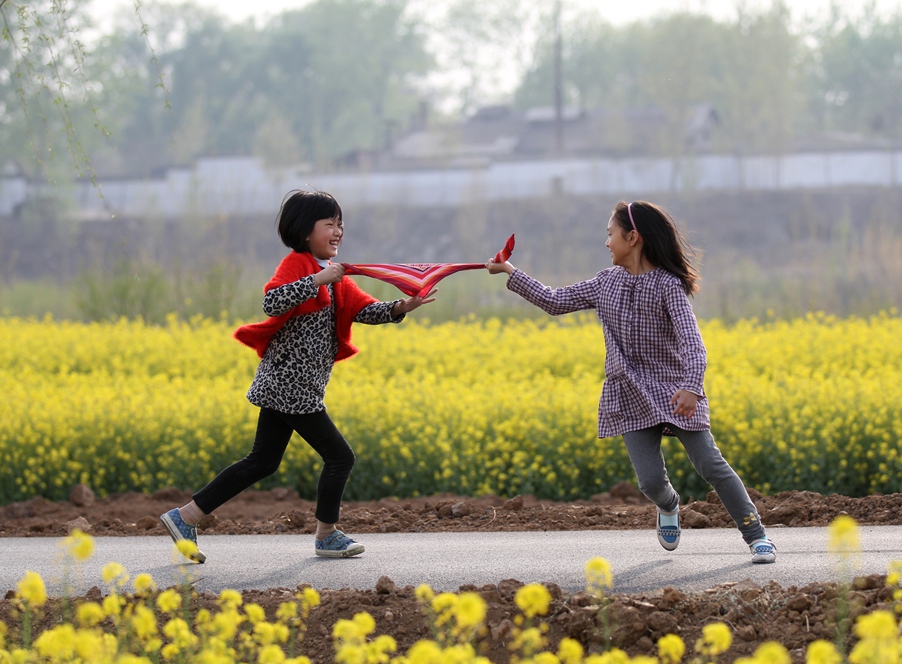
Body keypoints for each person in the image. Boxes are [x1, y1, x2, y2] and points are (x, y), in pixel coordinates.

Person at [486, 200, 776, 563]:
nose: (607, 243)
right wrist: (511, 271)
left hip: (675, 392)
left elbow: (693, 344)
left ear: (633, 237)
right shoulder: (605, 283)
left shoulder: (669, 286)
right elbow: (554, 300)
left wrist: (691, 386)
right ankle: (670, 505)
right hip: (628, 393)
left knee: (709, 464)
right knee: (650, 483)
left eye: (611, 234)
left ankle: (756, 535)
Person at [161, 189, 433, 563]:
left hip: (292, 388)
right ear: (306, 230)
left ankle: (186, 516)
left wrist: (403, 305)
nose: (338, 231)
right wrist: (319, 279)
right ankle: (327, 535)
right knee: (340, 457)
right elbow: (272, 301)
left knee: (262, 461)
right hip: (290, 388)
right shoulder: (301, 264)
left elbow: (365, 310)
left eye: (341, 225)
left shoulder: (336, 277)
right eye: (329, 224)